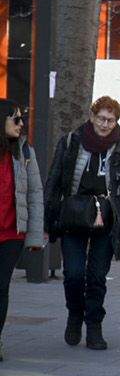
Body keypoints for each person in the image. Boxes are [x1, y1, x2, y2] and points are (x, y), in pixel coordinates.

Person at [44, 95, 120, 351]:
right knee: (74, 274)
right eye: (101, 118)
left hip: (107, 220)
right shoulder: (71, 142)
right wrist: (46, 221)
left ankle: (94, 326)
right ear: (92, 116)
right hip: (73, 216)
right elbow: (53, 181)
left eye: (110, 120)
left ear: (116, 121)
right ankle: (74, 314)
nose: (105, 124)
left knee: (97, 276)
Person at [0, 100, 45, 362]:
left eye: (21, 119)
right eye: (15, 119)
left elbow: (35, 194)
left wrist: (35, 237)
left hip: (12, 234)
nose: (21, 124)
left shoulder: (25, 152)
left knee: (1, 287)